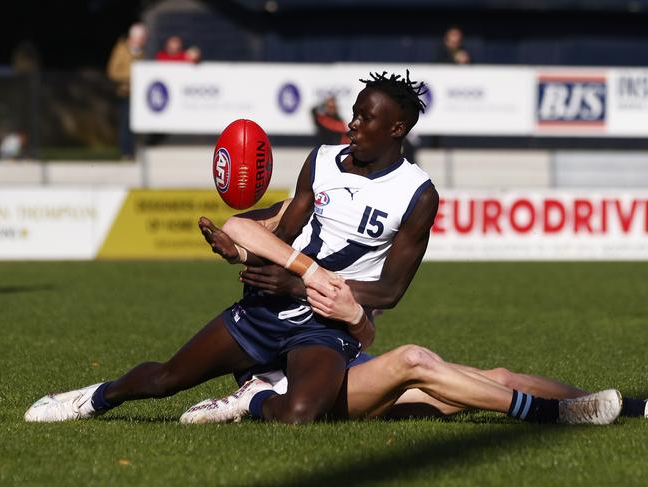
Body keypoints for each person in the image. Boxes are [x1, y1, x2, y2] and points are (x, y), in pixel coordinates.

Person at [24, 71, 440, 424]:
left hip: (325, 326)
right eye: (354, 114)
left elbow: (389, 292)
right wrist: (240, 253)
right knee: (167, 379)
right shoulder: (323, 160)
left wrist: (299, 286)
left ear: (396, 128)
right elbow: (286, 236)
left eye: (365, 119)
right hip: (269, 305)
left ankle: (252, 396)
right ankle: (92, 398)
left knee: (301, 414)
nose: (351, 124)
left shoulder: (417, 194)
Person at [179, 201, 632, 426]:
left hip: (351, 364)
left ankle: (627, 407)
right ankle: (254, 397)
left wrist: (351, 312)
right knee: (415, 361)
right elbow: (250, 228)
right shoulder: (304, 211)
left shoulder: (359, 232)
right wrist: (236, 247)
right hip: (295, 379)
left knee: (499, 375)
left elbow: (366, 332)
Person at [106, 23, 147, 159]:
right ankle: (125, 152)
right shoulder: (121, 50)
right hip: (125, 93)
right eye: (142, 38)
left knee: (137, 124)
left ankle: (135, 151)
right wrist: (131, 77)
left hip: (139, 95)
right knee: (125, 123)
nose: (144, 40)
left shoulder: (141, 52)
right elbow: (113, 71)